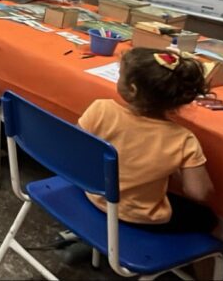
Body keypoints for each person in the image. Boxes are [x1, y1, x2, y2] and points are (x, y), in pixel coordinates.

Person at [79, 49, 215, 233]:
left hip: (93, 197)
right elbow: (200, 193)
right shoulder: (183, 139)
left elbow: (75, 149)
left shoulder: (100, 109)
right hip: (142, 218)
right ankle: (186, 260)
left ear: (133, 89)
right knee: (207, 218)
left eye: (120, 75)